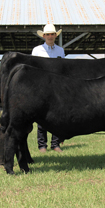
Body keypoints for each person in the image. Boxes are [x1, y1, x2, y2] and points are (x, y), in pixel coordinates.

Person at [32, 23, 64, 153]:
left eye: (52, 34)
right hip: (42, 86)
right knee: (42, 116)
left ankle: (55, 144)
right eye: (47, 34)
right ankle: (42, 146)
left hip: (57, 87)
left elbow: (63, 69)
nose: (50, 36)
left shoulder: (60, 51)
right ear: (43, 36)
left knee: (58, 116)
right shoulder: (36, 50)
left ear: (55, 35)